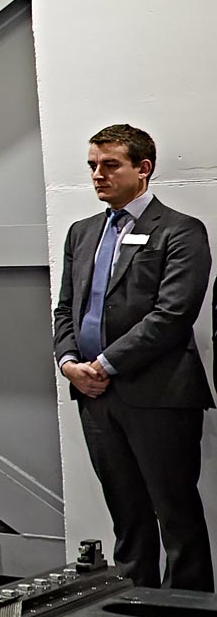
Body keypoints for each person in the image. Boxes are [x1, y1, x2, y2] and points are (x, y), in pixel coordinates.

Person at [53, 124, 213, 591]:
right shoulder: (82, 233)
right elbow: (66, 308)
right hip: (95, 396)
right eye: (92, 166)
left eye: (110, 165)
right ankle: (133, 608)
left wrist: (102, 365)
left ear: (143, 170)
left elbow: (173, 315)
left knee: (176, 514)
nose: (98, 175)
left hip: (159, 394)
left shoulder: (180, 231)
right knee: (127, 515)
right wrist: (68, 363)